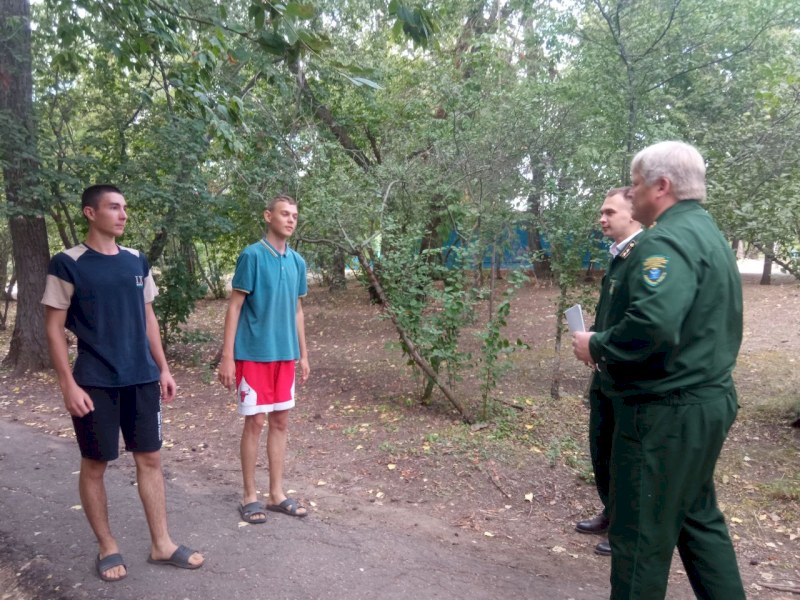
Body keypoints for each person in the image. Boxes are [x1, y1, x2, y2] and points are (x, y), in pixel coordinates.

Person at [572, 141, 746, 599]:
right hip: (705, 404)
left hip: (665, 414)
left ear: (661, 186)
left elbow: (653, 325)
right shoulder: (707, 232)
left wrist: (598, 344)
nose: (634, 193)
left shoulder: (666, 239)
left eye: (636, 184)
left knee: (639, 537)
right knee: (697, 520)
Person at [42, 185, 204, 582]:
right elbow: (53, 328)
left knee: (150, 459)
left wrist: (163, 368)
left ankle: (161, 543)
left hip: (142, 378)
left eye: (124, 208)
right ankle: (107, 545)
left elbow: (149, 318)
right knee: (96, 463)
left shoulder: (136, 261)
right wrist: (68, 385)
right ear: (89, 213)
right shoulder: (67, 263)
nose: (122, 214)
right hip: (95, 382)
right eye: (114, 207)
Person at [218, 194, 310, 524]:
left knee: (281, 422)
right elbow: (235, 306)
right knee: (255, 422)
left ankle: (276, 494)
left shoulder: (298, 262)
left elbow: (298, 310)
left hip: (285, 355)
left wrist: (304, 354)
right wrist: (227, 356)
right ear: (268, 216)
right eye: (284, 214)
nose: (290, 220)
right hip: (253, 354)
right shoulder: (252, 255)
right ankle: (249, 495)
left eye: (295, 216)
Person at [574, 187, 642, 557]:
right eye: (602, 212)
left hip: (626, 376)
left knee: (624, 455)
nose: (602, 218)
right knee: (601, 445)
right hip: (604, 370)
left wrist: (601, 346)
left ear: (632, 214)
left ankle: (626, 530)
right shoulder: (619, 256)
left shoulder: (643, 256)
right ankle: (610, 511)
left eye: (609, 212)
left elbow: (642, 324)